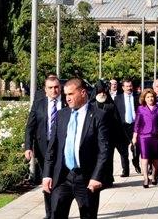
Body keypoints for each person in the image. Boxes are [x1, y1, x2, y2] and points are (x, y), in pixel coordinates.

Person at [42, 78, 109, 219]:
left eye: (71, 94)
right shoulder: (61, 115)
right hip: (62, 176)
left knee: (88, 215)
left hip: (86, 178)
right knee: (55, 214)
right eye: (65, 95)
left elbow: (104, 150)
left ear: (83, 92)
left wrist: (96, 177)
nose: (67, 98)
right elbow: (52, 148)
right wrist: (47, 174)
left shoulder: (98, 116)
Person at [24, 75, 66, 219]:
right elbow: (30, 127)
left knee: (61, 179)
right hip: (44, 147)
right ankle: (50, 213)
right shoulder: (38, 104)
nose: (54, 90)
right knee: (46, 178)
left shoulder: (67, 102)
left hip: (63, 146)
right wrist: (28, 147)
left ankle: (60, 210)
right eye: (50, 88)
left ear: (60, 87)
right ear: (45, 89)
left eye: (56, 87)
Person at [89, 79, 124, 188]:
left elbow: (117, 121)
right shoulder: (91, 105)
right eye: (100, 92)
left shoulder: (111, 105)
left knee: (108, 158)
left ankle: (108, 179)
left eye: (104, 92)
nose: (102, 94)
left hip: (109, 137)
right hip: (94, 137)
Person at [132, 88, 158, 188]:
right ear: (144, 98)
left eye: (152, 97)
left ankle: (153, 175)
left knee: (156, 158)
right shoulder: (140, 108)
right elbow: (137, 123)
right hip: (143, 136)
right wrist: (134, 136)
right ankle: (146, 178)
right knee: (145, 157)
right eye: (148, 97)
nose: (150, 99)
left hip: (156, 135)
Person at [114, 79, 141, 176]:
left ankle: (136, 162)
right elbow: (116, 113)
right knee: (123, 150)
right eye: (127, 86)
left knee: (137, 147)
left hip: (135, 126)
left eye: (130, 86)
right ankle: (125, 170)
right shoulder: (118, 98)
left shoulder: (137, 97)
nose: (129, 88)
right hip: (123, 127)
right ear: (123, 87)